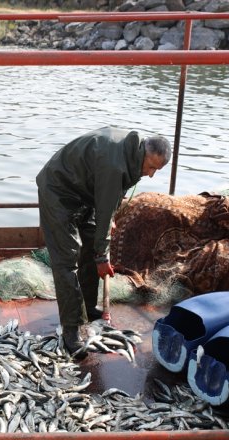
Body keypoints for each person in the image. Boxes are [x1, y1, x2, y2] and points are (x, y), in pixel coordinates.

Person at [36, 127, 171, 357]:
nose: (151, 175)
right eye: (151, 167)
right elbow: (107, 198)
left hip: (83, 193)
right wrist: (102, 257)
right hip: (58, 191)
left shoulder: (131, 154)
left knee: (91, 243)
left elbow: (111, 199)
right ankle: (70, 330)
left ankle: (87, 307)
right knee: (67, 258)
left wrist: (108, 222)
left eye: (156, 171)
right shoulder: (114, 165)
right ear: (144, 154)